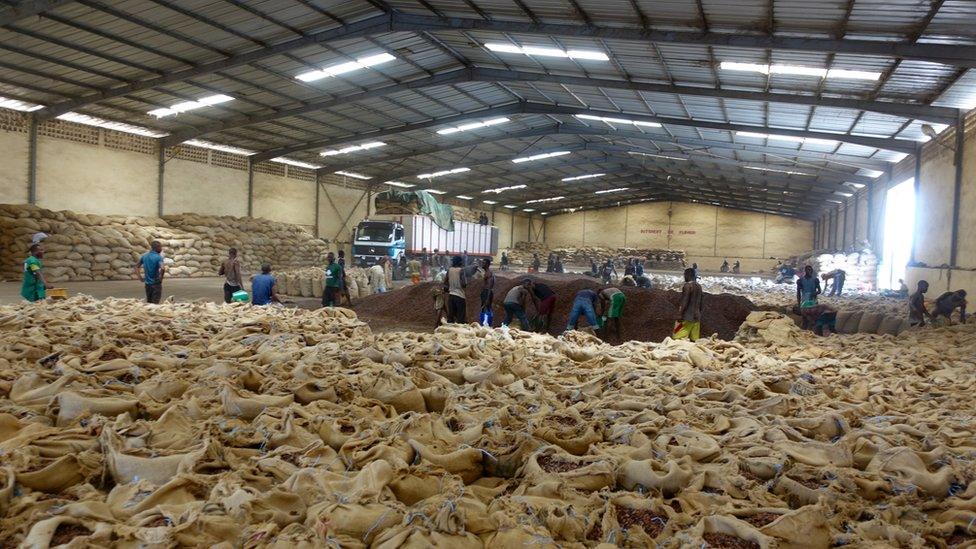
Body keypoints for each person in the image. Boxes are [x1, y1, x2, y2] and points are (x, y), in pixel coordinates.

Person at [674, 267, 704, 341]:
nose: (684, 277)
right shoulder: (699, 286)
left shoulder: (687, 286)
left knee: (677, 337)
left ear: (688, 275)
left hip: (686, 317)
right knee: (694, 340)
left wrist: (680, 314)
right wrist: (699, 313)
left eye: (684, 275)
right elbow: (701, 303)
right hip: (696, 317)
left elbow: (685, 300)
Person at [444, 256, 467, 323]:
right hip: (460, 296)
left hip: (451, 296)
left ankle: (450, 331)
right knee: (460, 317)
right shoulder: (461, 270)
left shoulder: (449, 270)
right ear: (460, 262)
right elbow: (464, 284)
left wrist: (449, 289)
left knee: (451, 316)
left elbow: (445, 282)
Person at [479, 258, 495, 326]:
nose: (482, 264)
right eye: (482, 262)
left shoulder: (489, 273)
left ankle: (487, 324)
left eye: (484, 263)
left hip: (487, 292)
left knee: (486, 308)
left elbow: (489, 287)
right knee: (484, 308)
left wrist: (487, 298)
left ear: (488, 264)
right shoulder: (486, 273)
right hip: (485, 292)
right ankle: (485, 324)